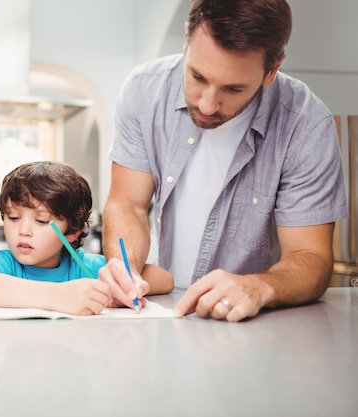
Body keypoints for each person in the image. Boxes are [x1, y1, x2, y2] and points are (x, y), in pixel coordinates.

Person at [99, 0, 348, 322]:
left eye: (233, 88)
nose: (207, 104)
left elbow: (310, 256)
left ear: (272, 71)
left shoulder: (306, 125)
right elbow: (128, 203)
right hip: (162, 310)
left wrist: (258, 288)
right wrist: (124, 266)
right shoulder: (144, 90)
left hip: (254, 321)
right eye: (198, 76)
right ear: (186, 44)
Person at [0, 161, 112, 315]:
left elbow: (132, 278)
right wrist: (58, 296)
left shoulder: (89, 267)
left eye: (41, 221)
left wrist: (124, 292)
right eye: (14, 218)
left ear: (73, 232)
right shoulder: (5, 264)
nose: (24, 231)